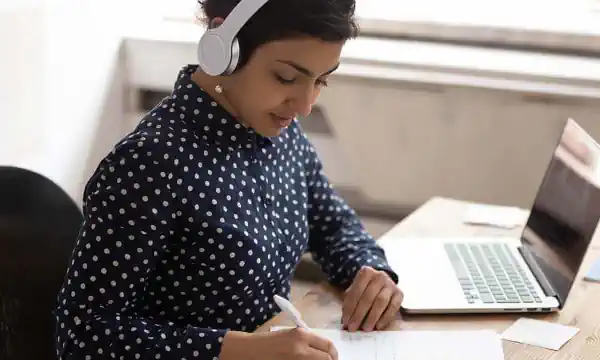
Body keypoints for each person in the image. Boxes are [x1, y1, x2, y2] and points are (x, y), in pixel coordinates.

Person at [54, 0, 403, 359]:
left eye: (321, 80)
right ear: (225, 48)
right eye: (286, 77)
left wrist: (371, 272)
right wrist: (236, 350)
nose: (305, 104)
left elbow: (333, 223)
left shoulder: (283, 133)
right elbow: (84, 333)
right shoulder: (149, 163)